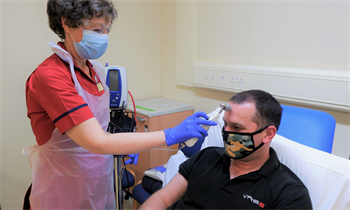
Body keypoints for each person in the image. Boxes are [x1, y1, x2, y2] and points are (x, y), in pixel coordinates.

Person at [24, 0, 216, 209]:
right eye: (97, 29)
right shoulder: (51, 76)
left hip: (96, 180)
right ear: (67, 24)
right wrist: (171, 134)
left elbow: (99, 131)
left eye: (107, 29)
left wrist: (123, 144)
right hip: (64, 186)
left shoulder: (93, 71)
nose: (104, 36)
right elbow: (96, 141)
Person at [139, 90, 313, 210]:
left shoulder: (289, 193)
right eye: (226, 125)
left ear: (268, 134)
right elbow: (162, 198)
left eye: (237, 128)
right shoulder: (206, 156)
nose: (227, 133)